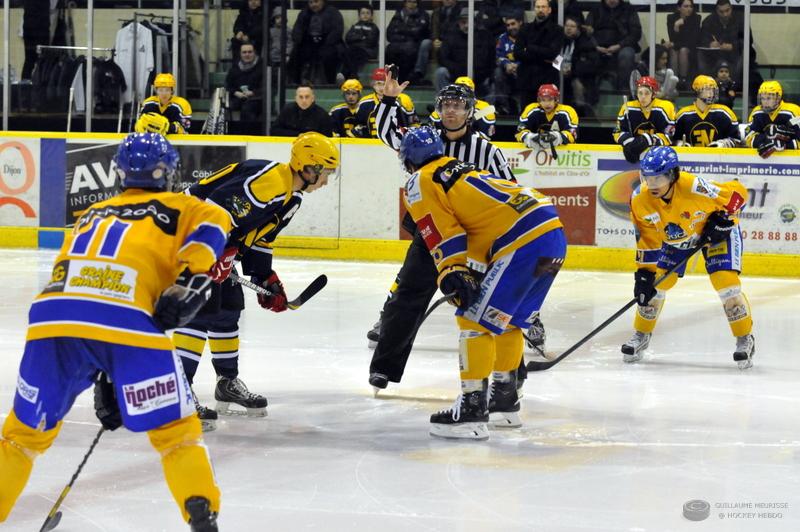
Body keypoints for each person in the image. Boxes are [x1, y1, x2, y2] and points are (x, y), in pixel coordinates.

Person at [0, 133, 231, 530]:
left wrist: (103, 372)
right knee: (176, 434)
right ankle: (201, 512)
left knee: (20, 438)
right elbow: (217, 224)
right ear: (169, 173)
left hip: (53, 318)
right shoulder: (182, 205)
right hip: (128, 321)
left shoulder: (91, 213)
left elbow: (81, 287)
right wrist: (192, 276)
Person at [399, 126, 566, 439]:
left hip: (520, 239)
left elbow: (441, 229)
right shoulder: (462, 170)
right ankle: (505, 403)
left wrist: (451, 270)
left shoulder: (420, 181)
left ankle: (472, 410)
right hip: (551, 231)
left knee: (473, 322)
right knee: (507, 321)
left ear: (407, 160)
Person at [367, 70, 525, 395]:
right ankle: (384, 368)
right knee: (406, 297)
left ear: (470, 111)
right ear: (439, 109)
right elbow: (386, 135)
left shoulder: (486, 151)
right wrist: (389, 100)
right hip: (432, 237)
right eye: (446, 105)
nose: (451, 110)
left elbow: (508, 191)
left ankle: (511, 373)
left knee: (489, 303)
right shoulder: (424, 138)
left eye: (458, 105)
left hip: (475, 239)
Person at [174, 133, 339, 429]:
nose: (326, 180)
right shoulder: (271, 182)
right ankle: (179, 391)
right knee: (198, 311)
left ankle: (226, 383)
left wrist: (265, 277)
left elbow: (261, 238)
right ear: (308, 167)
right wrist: (212, 254)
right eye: (325, 172)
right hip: (188, 235)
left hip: (214, 243)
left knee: (227, 311)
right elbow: (214, 212)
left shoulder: (293, 197)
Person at [623, 146, 754, 370]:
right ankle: (641, 334)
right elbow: (647, 239)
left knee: (726, 284)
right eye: (648, 178)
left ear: (673, 174)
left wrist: (725, 220)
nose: (653, 184)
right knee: (656, 286)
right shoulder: (640, 200)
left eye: (660, 177)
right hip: (676, 240)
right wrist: (644, 274)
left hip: (714, 235)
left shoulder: (694, 187)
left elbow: (739, 193)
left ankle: (745, 338)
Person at [613, 76, 676, 164]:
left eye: (647, 93)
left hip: (659, 157)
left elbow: (669, 134)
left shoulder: (665, 107)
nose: (643, 97)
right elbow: (617, 131)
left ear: (653, 94)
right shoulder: (627, 107)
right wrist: (629, 143)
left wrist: (648, 139)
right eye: (640, 93)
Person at [514, 0, 563, 108]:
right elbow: (517, 53)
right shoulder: (525, 29)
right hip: (527, 79)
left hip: (547, 79)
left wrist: (530, 47)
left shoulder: (557, 30)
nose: (540, 9)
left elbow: (553, 54)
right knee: (527, 113)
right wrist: (542, 55)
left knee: (547, 116)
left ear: (549, 10)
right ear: (534, 9)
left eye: (543, 7)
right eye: (538, 7)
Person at [585, 0, 641, 91]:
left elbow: (636, 33)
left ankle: (624, 91)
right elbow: (587, 32)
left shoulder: (629, 10)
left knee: (626, 55)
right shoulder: (595, 9)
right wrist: (596, 46)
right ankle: (590, 91)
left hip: (622, 46)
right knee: (587, 53)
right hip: (598, 46)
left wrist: (619, 45)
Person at [435, 12, 495, 94]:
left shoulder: (484, 36)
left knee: (495, 75)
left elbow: (490, 58)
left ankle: (491, 105)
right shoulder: (451, 36)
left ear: (475, 23)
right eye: (463, 22)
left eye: (469, 22)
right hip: (456, 74)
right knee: (441, 72)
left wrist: (480, 71)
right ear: (459, 23)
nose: (467, 26)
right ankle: (443, 101)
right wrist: (457, 69)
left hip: (480, 75)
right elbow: (443, 58)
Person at [673, 75, 739, 147]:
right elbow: (672, 139)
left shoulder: (725, 113)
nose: (711, 93)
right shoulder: (683, 115)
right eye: (707, 89)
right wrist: (679, 143)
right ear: (697, 90)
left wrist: (724, 144)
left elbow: (737, 140)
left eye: (713, 89)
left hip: (719, 157)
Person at [288, 0, 344, 84]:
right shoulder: (304, 13)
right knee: (296, 53)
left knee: (330, 55)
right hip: (308, 43)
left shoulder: (333, 12)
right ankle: (296, 83)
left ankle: (330, 83)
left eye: (316, 1)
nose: (313, 5)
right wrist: (299, 41)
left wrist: (326, 44)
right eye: (310, 2)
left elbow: (337, 31)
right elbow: (297, 30)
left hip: (327, 43)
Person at [352, 67, 418, 138]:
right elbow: (358, 126)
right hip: (372, 145)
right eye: (378, 83)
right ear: (373, 84)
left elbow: (414, 124)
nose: (382, 88)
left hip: (398, 145)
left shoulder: (404, 100)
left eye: (385, 83)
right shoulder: (364, 104)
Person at [516, 84, 579, 156]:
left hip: (565, 155)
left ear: (556, 99)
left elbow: (573, 133)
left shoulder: (568, 111)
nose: (546, 103)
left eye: (550, 99)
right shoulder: (531, 109)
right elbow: (519, 131)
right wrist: (530, 138)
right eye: (543, 100)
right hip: (535, 154)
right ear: (539, 100)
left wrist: (557, 137)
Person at [744, 80, 800, 159]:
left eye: (769, 98)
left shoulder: (793, 111)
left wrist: (786, 145)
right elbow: (748, 135)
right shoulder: (756, 113)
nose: (765, 102)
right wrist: (767, 142)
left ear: (778, 97)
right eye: (763, 98)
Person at [429, 76, 496, 139]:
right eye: (458, 88)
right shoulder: (445, 106)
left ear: (472, 92)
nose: (461, 93)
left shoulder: (485, 108)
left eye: (465, 90)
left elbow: (487, 136)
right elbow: (433, 131)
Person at [560, 15, 600, 114]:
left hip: (580, 78)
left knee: (576, 84)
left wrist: (572, 71)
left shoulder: (586, 43)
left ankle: (581, 111)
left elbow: (592, 66)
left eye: (572, 26)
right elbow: (555, 60)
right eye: (567, 26)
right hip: (561, 76)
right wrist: (559, 69)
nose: (568, 28)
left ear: (578, 29)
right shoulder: (561, 42)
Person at [385, 0, 432, 84]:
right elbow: (389, 34)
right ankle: (391, 77)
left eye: (414, 2)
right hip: (399, 43)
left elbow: (418, 33)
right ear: (405, 3)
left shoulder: (423, 15)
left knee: (409, 49)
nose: (411, 4)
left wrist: (400, 31)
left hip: (415, 43)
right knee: (389, 49)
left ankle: (407, 78)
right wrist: (405, 33)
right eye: (409, 1)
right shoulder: (398, 15)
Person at [664, 0, 700, 88]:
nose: (689, 9)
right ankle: (674, 80)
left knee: (683, 50)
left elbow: (692, 40)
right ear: (679, 8)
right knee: (673, 51)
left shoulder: (696, 18)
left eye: (691, 6)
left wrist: (675, 44)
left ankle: (683, 80)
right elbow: (672, 38)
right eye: (686, 6)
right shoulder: (671, 18)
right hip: (677, 47)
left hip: (691, 48)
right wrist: (676, 27)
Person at [494, 13, 523, 116]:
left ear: (520, 23)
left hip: (522, 70)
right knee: (497, 72)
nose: (510, 27)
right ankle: (503, 106)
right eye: (508, 25)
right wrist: (506, 64)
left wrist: (518, 65)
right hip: (507, 71)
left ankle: (523, 107)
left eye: (513, 24)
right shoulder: (502, 38)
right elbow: (498, 56)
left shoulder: (526, 36)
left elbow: (530, 54)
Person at [225, 43, 263, 119]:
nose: (247, 54)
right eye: (244, 52)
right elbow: (228, 85)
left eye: (250, 52)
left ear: (254, 53)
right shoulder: (235, 68)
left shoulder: (262, 67)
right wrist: (235, 92)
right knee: (224, 107)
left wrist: (253, 93)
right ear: (240, 54)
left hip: (256, 99)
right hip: (238, 97)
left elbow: (266, 87)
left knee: (247, 109)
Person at [341, 5, 379, 79]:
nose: (365, 15)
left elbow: (370, 42)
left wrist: (356, 39)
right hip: (354, 49)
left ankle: (346, 75)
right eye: (363, 13)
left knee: (354, 53)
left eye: (368, 13)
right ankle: (352, 75)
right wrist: (362, 37)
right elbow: (348, 38)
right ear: (359, 15)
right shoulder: (355, 26)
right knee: (347, 52)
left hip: (368, 52)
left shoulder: (374, 27)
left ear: (371, 16)